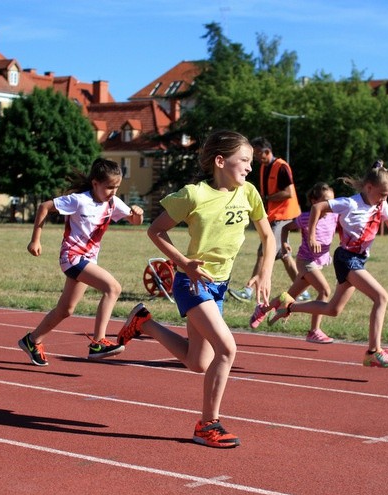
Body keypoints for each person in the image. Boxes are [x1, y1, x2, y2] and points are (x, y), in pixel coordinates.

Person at [117, 130, 275, 448]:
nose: (250, 167)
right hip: (192, 282)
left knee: (198, 362)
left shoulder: (249, 193)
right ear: (220, 161)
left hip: (219, 286)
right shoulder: (194, 195)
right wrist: (184, 262)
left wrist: (265, 273)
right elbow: (155, 230)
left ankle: (144, 323)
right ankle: (207, 425)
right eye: (244, 160)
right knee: (227, 349)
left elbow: (268, 237)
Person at [270, 160, 388, 367]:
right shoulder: (350, 203)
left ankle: (289, 307)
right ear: (369, 187)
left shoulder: (381, 204)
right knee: (381, 297)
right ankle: (373, 352)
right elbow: (317, 207)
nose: (384, 198)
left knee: (333, 309)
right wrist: (312, 236)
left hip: (359, 259)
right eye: (382, 194)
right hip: (347, 259)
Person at [18, 158, 144, 366]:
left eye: (117, 187)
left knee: (65, 310)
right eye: (109, 187)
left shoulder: (113, 202)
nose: (113, 192)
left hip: (87, 260)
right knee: (113, 288)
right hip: (72, 257)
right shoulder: (79, 200)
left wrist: (138, 214)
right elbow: (44, 207)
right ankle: (98, 342)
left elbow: (134, 221)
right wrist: (35, 240)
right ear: (95, 183)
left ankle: (32, 340)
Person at [250, 182, 338, 344]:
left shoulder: (334, 216)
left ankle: (263, 309)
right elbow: (285, 228)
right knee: (324, 290)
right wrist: (284, 243)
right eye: (326, 201)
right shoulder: (306, 217)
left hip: (318, 262)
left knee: (289, 297)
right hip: (305, 262)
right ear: (314, 201)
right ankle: (314, 331)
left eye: (332, 201)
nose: (329, 205)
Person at [227, 136, 301, 303]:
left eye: (258, 153)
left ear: (267, 152)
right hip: (274, 215)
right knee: (284, 255)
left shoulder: (281, 167)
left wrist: (267, 198)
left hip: (283, 216)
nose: (255, 157)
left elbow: (288, 192)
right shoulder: (263, 167)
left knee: (264, 251)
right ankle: (302, 290)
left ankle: (248, 291)